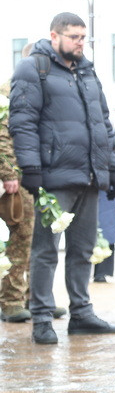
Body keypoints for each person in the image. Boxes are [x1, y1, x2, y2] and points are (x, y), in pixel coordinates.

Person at [9, 12, 115, 345]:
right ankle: (42, 317)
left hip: (88, 175)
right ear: (54, 36)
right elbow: (22, 122)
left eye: (83, 37)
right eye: (74, 37)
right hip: (54, 177)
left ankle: (82, 313)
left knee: (83, 250)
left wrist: (111, 168)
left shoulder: (87, 70)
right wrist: (31, 169)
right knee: (45, 251)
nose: (80, 43)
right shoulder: (33, 68)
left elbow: (103, 122)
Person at [0, 81, 35, 323]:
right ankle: (11, 300)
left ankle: (37, 297)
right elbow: (2, 136)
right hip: (20, 179)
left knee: (39, 241)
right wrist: (9, 172)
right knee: (22, 238)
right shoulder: (12, 92)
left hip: (37, 176)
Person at [94, 130, 115, 283]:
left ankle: (101, 271)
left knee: (106, 227)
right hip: (108, 180)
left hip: (106, 182)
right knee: (106, 227)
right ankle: (101, 272)